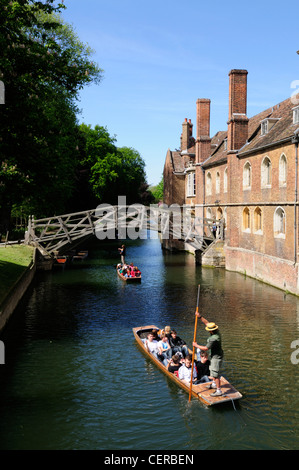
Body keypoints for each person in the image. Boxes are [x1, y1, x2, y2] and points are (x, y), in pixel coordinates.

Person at [193, 313, 224, 397]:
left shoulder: (214, 338)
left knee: (215, 374)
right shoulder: (216, 331)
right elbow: (207, 323)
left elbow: (206, 348)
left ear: (211, 331)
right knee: (212, 370)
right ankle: (214, 384)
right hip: (214, 355)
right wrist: (200, 317)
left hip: (217, 357)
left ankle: (218, 390)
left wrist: (196, 345)